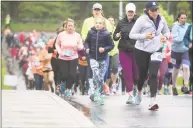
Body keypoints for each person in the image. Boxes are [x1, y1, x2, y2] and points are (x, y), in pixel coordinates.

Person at [129, 1, 170, 110]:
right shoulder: (141, 20)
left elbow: (167, 32)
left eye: (156, 9)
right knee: (142, 75)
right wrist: (144, 36)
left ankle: (153, 100)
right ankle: (139, 91)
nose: (155, 12)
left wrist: (165, 37)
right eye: (153, 10)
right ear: (147, 10)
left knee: (153, 74)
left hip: (156, 49)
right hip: (141, 50)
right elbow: (131, 35)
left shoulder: (162, 19)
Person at [84, 16, 114, 105]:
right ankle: (94, 92)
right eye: (96, 23)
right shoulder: (90, 32)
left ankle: (98, 94)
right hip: (93, 57)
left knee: (100, 78)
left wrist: (104, 49)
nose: (97, 25)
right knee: (95, 73)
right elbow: (86, 42)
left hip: (103, 59)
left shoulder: (107, 34)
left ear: (103, 25)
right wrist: (87, 48)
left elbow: (111, 46)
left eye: (100, 23)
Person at [113, 3, 139, 104]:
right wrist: (117, 35)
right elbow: (114, 37)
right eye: (129, 11)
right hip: (124, 50)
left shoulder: (138, 22)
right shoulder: (121, 22)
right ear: (126, 12)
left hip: (136, 50)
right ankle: (130, 95)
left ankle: (136, 88)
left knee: (136, 74)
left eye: (132, 12)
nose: (130, 13)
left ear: (134, 12)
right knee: (127, 72)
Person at [55, 18, 83, 97]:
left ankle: (68, 90)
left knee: (72, 75)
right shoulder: (61, 35)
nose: (70, 27)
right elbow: (57, 44)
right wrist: (60, 51)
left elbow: (81, 45)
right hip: (63, 57)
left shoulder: (77, 35)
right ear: (66, 27)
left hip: (73, 57)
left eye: (72, 26)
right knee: (64, 75)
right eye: (69, 26)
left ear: (74, 27)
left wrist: (79, 47)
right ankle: (63, 83)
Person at [171, 11, 190, 95]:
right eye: (182, 18)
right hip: (175, 51)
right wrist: (185, 38)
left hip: (185, 50)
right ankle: (174, 86)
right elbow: (175, 39)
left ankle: (185, 85)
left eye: (185, 18)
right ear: (178, 18)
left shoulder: (189, 26)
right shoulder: (175, 26)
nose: (183, 20)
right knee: (176, 69)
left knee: (186, 67)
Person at [183, 24, 192, 94]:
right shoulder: (191, 26)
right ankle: (191, 87)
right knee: (191, 68)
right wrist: (188, 44)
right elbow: (185, 37)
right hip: (191, 49)